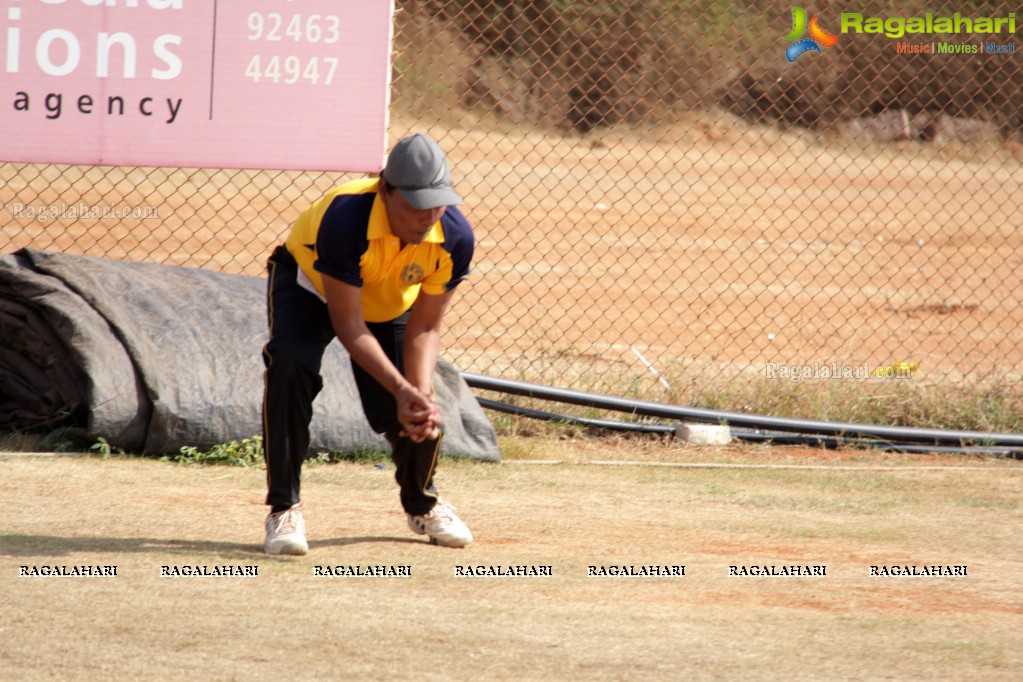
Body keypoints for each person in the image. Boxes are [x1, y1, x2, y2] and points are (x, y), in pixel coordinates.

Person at [261, 132, 475, 555]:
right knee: (291, 364)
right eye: (416, 203)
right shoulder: (347, 219)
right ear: (385, 190)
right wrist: (399, 387)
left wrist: (414, 393)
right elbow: (349, 324)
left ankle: (423, 503)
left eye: (438, 201)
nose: (428, 215)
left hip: (389, 299)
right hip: (312, 287)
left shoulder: (454, 237)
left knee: (420, 401)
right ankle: (284, 509)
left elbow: (426, 329)